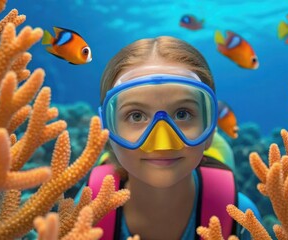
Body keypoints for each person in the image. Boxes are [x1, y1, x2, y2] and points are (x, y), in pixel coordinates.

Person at [82, 36, 261, 240]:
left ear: (211, 129)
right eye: (136, 116)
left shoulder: (241, 217)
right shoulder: (86, 210)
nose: (163, 143)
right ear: (107, 130)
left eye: (182, 114)